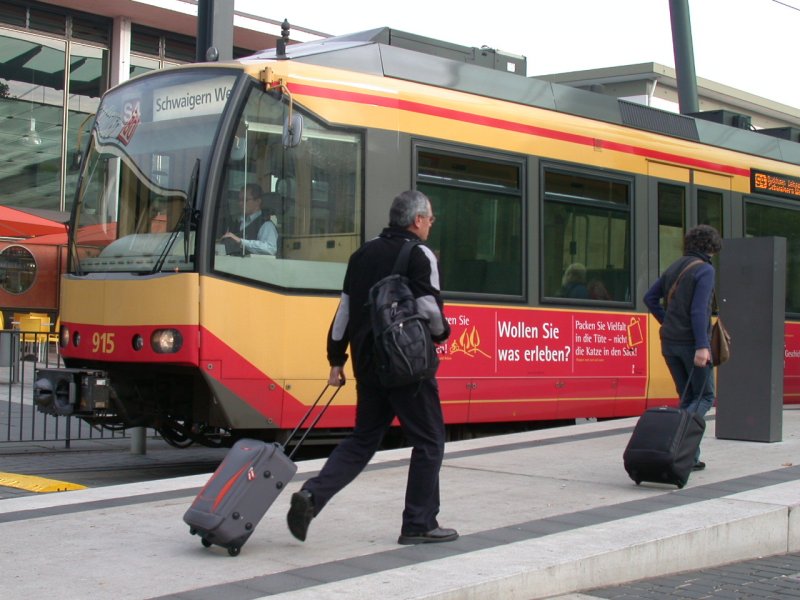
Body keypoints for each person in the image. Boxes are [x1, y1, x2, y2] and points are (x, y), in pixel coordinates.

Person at [286, 190, 456, 545]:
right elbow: (429, 308)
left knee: (363, 438)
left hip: (368, 361)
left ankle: (312, 496)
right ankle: (419, 523)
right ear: (417, 220)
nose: (431, 223)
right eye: (430, 218)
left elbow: (343, 313)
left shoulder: (362, 253)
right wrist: (441, 334)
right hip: (407, 364)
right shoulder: (420, 253)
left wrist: (336, 359)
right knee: (429, 439)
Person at [643, 224, 723, 471]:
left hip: (669, 343)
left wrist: (668, 321)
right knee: (704, 396)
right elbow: (700, 310)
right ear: (711, 246)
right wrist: (702, 345)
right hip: (691, 344)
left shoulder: (676, 266)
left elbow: (649, 298)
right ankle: (680, 447)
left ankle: (689, 456)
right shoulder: (705, 270)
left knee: (687, 396)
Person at [220, 183, 278, 255]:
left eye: (245, 200)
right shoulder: (236, 223)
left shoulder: (266, 224)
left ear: (258, 202)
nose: (240, 203)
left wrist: (241, 242)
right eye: (239, 200)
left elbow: (270, 248)